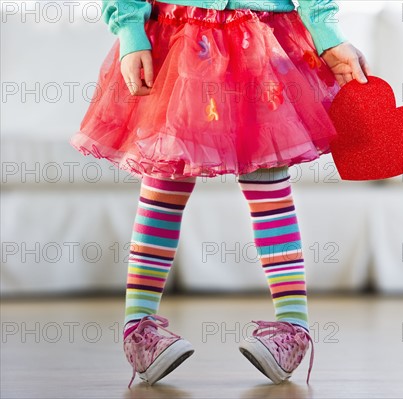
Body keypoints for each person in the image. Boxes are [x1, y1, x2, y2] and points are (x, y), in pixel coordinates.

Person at [69, 0, 372, 388]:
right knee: (164, 181)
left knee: (270, 188)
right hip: (179, 36)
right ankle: (139, 330)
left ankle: (294, 329)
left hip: (262, 39)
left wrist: (328, 36)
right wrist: (130, 31)